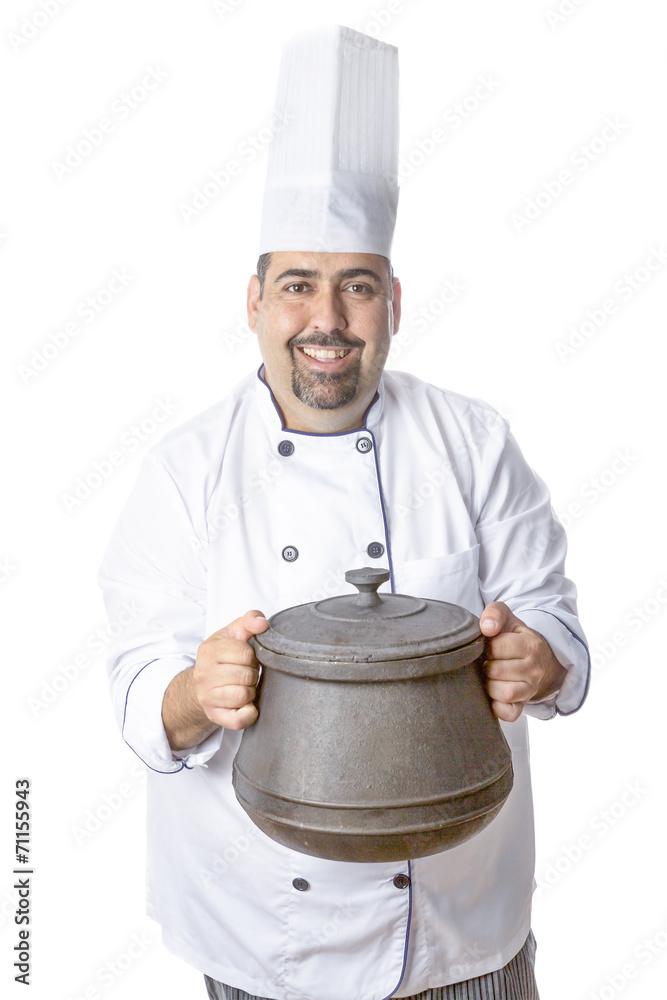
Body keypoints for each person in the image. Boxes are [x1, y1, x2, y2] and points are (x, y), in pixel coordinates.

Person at [98, 25, 589, 1000]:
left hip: (460, 929)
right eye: (297, 286)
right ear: (253, 301)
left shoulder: (472, 441)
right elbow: (135, 685)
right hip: (260, 938)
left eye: (355, 287)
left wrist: (541, 658)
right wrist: (194, 691)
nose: (326, 318)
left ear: (392, 302)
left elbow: (554, 617)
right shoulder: (184, 469)